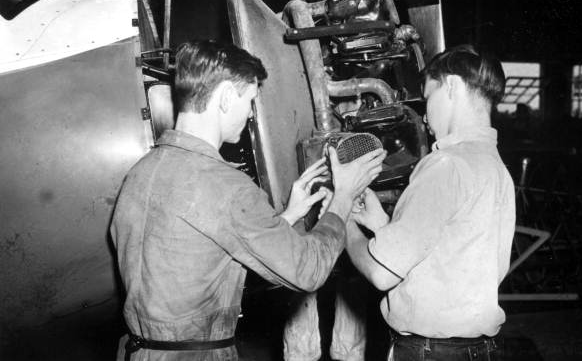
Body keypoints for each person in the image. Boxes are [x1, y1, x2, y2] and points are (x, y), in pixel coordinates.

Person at [110, 40, 386, 361]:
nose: (251, 114)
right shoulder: (225, 185)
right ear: (227, 96)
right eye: (250, 100)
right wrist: (344, 197)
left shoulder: (142, 172)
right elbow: (309, 270)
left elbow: (206, 254)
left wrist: (290, 214)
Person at [345, 46, 516, 360]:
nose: (424, 115)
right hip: (480, 351)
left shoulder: (446, 164)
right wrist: (382, 225)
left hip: (430, 352)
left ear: (451, 85)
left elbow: (381, 274)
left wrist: (342, 220)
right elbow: (453, 259)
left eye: (428, 98)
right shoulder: (495, 167)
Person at [283, 0, 369, 361]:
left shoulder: (363, 26)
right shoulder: (288, 20)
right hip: (303, 166)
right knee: (302, 275)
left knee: (351, 275)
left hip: (348, 161)